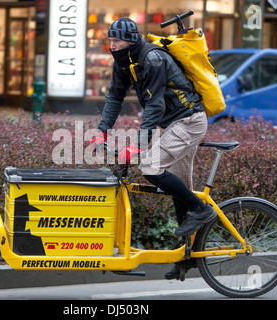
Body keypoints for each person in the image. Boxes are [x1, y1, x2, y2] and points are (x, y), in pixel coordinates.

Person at [89, 17, 216, 279]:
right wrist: (101, 130)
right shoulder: (125, 62)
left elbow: (156, 105)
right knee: (180, 189)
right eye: (110, 41)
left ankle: (202, 210)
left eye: (116, 41)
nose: (112, 46)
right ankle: (186, 257)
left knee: (150, 166)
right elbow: (114, 96)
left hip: (189, 121)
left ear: (131, 40)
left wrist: (137, 146)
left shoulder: (153, 59)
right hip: (174, 125)